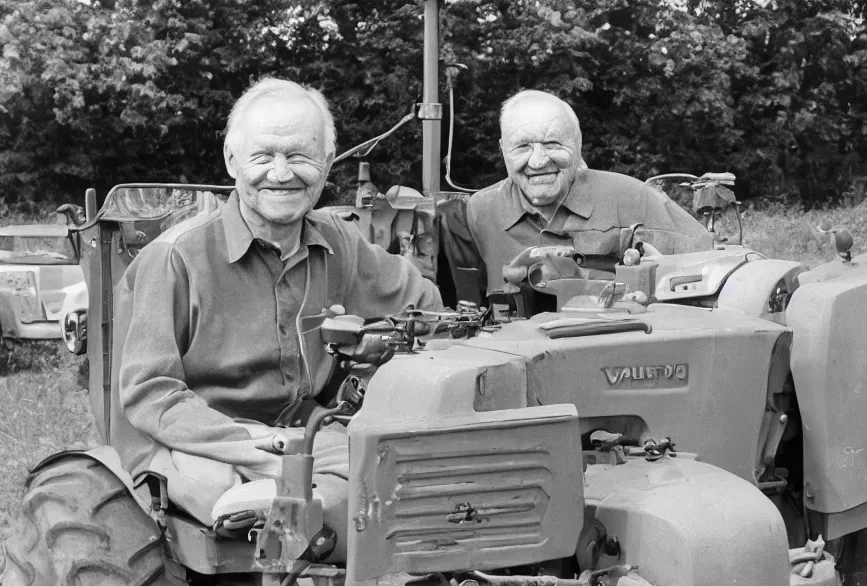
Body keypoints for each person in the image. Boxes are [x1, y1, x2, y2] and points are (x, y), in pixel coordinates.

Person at [110, 77, 443, 539]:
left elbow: (425, 307)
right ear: (232, 160)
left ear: (327, 164)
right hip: (203, 441)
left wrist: (382, 347)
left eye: (301, 156)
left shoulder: (339, 242)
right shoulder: (176, 258)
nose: (282, 173)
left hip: (302, 435)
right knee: (234, 501)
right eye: (264, 156)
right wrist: (254, 444)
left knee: (403, 475)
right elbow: (150, 393)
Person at [466, 89, 712, 304]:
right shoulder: (482, 211)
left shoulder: (633, 198)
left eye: (552, 144)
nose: (538, 161)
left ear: (577, 143)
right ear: (502, 149)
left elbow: (716, 262)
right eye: (522, 146)